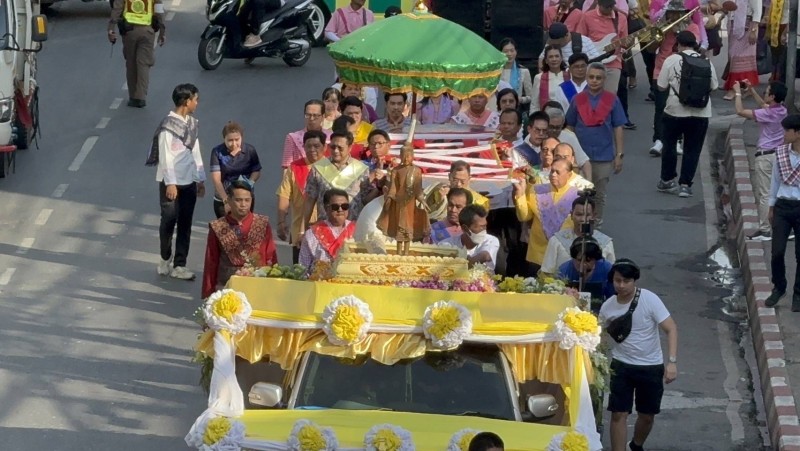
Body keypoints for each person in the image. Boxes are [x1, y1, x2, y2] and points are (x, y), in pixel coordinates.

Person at [599, 259, 678, 451]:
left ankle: (636, 445)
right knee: (618, 414)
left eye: (626, 281)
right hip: (621, 366)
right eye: (618, 280)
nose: (621, 285)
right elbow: (600, 338)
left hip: (651, 367)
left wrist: (672, 362)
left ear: (634, 281)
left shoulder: (650, 300)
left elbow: (671, 328)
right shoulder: (607, 307)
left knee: (647, 416)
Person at [656, 31, 717, 198]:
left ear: (678, 44)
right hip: (701, 112)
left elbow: (661, 86)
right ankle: (685, 185)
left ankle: (667, 180)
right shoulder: (706, 61)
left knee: (669, 146)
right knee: (693, 149)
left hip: (674, 111)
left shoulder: (671, 60)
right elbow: (714, 86)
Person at [565, 63, 626, 225]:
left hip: (604, 155)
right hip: (580, 155)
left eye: (598, 78)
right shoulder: (577, 99)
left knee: (599, 194)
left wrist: (619, 155)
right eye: (591, 77)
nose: (594, 80)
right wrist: (569, 152)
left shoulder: (612, 99)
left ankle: (596, 222)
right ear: (586, 78)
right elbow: (570, 125)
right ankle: (578, 223)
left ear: (604, 79)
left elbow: (618, 127)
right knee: (578, 192)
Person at [155, 83, 204, 281]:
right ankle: (164, 257)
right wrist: (171, 183)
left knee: (185, 223)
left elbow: (195, 152)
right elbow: (165, 156)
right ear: (186, 101)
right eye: (195, 99)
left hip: (189, 181)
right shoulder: (168, 126)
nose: (197, 103)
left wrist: (200, 178)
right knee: (168, 221)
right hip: (171, 183)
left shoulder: (192, 123)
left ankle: (180, 265)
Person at [201, 181, 278, 298]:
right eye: (238, 200)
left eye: (247, 200)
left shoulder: (262, 223)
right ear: (229, 200)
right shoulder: (218, 227)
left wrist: (274, 285)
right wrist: (208, 293)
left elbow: (271, 256)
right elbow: (211, 261)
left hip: (258, 287)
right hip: (226, 288)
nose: (243, 204)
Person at [648, 0, 702, 157]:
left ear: (683, 13)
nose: (674, 16)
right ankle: (659, 140)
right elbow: (650, 49)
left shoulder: (692, 27)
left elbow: (695, 48)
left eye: (677, 13)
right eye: (671, 13)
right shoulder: (661, 26)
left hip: (682, 72)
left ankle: (677, 140)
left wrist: (679, 33)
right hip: (661, 70)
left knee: (679, 108)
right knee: (660, 107)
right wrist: (659, 37)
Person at [735, 81, 788, 241]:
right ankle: (782, 227)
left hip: (765, 157)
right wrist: (752, 91)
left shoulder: (768, 114)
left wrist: (737, 93)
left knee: (765, 194)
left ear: (772, 96)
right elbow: (764, 106)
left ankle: (765, 230)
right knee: (777, 193)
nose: (764, 93)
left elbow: (740, 111)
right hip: (778, 156)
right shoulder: (782, 111)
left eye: (766, 92)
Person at [513, 158, 580, 275]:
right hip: (538, 254)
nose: (553, 175)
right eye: (552, 171)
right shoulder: (536, 190)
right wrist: (520, 195)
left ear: (569, 175)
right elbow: (524, 217)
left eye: (558, 172)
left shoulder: (578, 196)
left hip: (564, 254)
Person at [764, 115, 800, 311]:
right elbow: (775, 181)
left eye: (787, 131)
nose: (784, 134)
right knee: (777, 251)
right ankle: (779, 286)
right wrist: (771, 206)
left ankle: (798, 294)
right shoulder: (781, 153)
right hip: (782, 206)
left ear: (798, 133)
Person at [277, 130, 325, 263]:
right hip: (299, 231)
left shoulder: (330, 167)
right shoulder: (294, 167)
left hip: (324, 231)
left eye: (316, 146)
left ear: (324, 147)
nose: (312, 149)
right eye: (308, 146)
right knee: (299, 271)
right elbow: (284, 195)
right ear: (303, 147)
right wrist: (281, 222)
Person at [107, 0, 166, 108]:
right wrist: (162, 32)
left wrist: (111, 28)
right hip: (147, 32)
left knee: (131, 64)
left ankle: (133, 97)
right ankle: (140, 97)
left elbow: (117, 9)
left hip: (130, 32)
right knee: (144, 63)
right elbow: (159, 11)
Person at [303, 131, 370, 225]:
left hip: (352, 227)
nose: (336, 151)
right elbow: (310, 200)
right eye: (333, 147)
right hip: (325, 227)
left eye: (340, 148)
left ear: (350, 147)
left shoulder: (361, 169)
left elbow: (366, 199)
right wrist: (302, 229)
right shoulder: (318, 168)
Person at [378, 143, 430, 255]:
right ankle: (398, 252)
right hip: (398, 202)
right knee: (399, 226)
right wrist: (389, 198)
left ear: (412, 156)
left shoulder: (416, 171)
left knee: (408, 226)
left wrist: (422, 200)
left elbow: (418, 188)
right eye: (404, 156)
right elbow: (393, 187)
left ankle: (406, 252)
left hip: (410, 203)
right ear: (400, 156)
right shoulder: (396, 171)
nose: (406, 159)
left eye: (408, 156)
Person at [542, 195, 615, 274]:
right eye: (579, 215)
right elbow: (546, 272)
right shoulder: (556, 241)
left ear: (594, 216)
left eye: (587, 215)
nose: (583, 219)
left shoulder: (606, 243)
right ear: (571, 215)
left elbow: (612, 274)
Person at [209, 121, 262, 218]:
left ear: (242, 138)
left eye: (237, 140)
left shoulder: (250, 150)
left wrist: (249, 184)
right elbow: (216, 179)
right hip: (223, 198)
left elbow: (256, 171)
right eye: (230, 140)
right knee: (224, 227)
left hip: (244, 199)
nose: (234, 144)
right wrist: (226, 201)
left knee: (244, 225)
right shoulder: (217, 152)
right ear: (224, 139)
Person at [576, 0, 629, 92]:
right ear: (599, 4)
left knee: (610, 95)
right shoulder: (587, 16)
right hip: (592, 61)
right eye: (606, 7)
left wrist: (627, 44)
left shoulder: (621, 18)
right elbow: (580, 38)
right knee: (591, 93)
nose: (609, 9)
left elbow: (625, 41)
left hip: (613, 62)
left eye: (611, 6)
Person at [298, 188, 357, 269]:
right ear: (326, 208)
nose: (340, 210)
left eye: (344, 206)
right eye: (335, 207)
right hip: (320, 276)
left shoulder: (358, 231)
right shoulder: (311, 234)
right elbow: (303, 267)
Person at [721, 0, 762, 100]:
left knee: (740, 58)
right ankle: (747, 87)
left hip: (747, 26)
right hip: (734, 24)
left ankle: (734, 88)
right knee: (733, 57)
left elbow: (757, 10)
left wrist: (754, 30)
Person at [440, 205, 500, 271]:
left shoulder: (491, 240)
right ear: (465, 228)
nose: (484, 230)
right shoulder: (446, 244)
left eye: (485, 226)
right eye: (481, 226)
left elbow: (485, 256)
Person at [545, 107, 592, 179]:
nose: (554, 130)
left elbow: (585, 162)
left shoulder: (570, 137)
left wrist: (589, 182)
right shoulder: (537, 136)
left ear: (562, 125)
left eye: (557, 127)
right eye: (551, 127)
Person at [281, 99, 330, 168]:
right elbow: (287, 166)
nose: (311, 119)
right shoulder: (292, 138)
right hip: (299, 173)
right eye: (308, 115)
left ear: (323, 116)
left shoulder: (331, 137)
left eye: (315, 115)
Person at [499, 38, 534, 114]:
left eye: (512, 51)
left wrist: (519, 99)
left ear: (516, 52)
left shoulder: (523, 71)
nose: (509, 54)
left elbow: (531, 96)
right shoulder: (495, 71)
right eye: (506, 51)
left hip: (516, 111)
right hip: (497, 110)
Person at [532, 46, 570, 113]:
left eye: (557, 56)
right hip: (546, 115)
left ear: (561, 58)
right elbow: (534, 105)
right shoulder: (539, 78)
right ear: (546, 60)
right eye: (551, 57)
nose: (554, 59)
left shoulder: (569, 77)